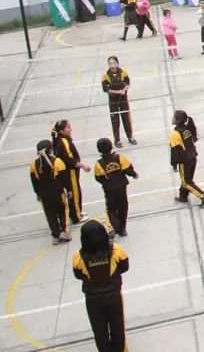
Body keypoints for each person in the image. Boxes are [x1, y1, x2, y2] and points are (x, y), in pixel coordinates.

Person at [72, 220, 129, 352]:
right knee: (117, 326)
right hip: (113, 295)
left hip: (93, 299)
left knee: (99, 329)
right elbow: (124, 266)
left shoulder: (78, 256)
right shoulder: (115, 249)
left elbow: (78, 274)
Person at [93, 137, 138, 238]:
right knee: (123, 206)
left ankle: (116, 226)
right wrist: (134, 174)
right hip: (121, 186)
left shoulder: (98, 164)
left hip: (109, 189)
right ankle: (122, 229)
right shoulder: (119, 158)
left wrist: (106, 183)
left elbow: (98, 177)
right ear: (111, 147)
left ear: (99, 150)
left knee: (111, 209)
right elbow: (128, 168)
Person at [29, 139, 71, 245]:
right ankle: (64, 231)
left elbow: (34, 181)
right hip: (58, 193)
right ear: (51, 150)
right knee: (62, 211)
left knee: (50, 214)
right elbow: (65, 178)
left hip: (44, 194)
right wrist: (69, 189)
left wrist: (37, 193)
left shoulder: (34, 164)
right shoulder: (57, 162)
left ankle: (55, 235)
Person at [169, 110, 204, 208]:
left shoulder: (175, 133)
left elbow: (174, 151)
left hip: (185, 161)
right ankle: (183, 196)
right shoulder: (187, 129)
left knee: (186, 182)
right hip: (192, 157)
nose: (172, 119)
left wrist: (174, 164)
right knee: (188, 179)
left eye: (173, 117)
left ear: (178, 120)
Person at [52, 120, 91, 224]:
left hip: (69, 172)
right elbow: (69, 160)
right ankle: (76, 217)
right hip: (70, 172)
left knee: (75, 192)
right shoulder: (63, 142)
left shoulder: (60, 140)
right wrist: (82, 165)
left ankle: (77, 212)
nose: (71, 129)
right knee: (74, 193)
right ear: (61, 131)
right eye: (68, 128)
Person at [101, 56, 137, 149]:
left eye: (113, 63)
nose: (112, 65)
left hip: (123, 98)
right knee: (115, 120)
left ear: (117, 63)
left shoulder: (123, 73)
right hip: (113, 100)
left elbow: (128, 82)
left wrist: (124, 90)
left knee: (126, 117)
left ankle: (130, 136)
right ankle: (117, 140)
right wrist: (117, 92)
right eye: (110, 63)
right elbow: (105, 89)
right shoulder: (106, 75)